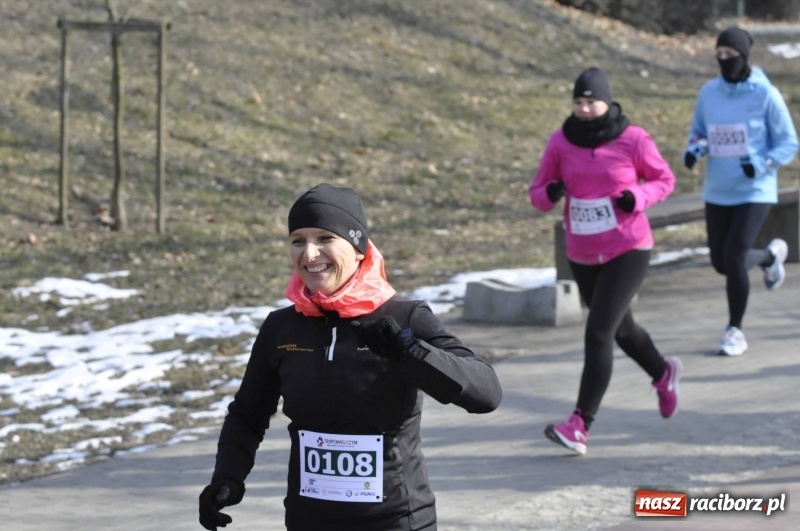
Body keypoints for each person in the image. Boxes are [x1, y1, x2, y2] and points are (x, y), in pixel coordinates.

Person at [198, 183, 503, 531]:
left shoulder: (405, 318)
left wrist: (411, 353)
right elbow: (248, 415)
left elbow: (486, 393)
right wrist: (227, 478)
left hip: (396, 520)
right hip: (308, 520)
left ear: (358, 248)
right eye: (298, 240)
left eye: (325, 238)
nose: (309, 254)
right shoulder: (281, 328)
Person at [529, 67, 680, 456]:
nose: (583, 109)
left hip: (628, 246)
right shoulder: (561, 142)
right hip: (582, 252)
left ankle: (580, 424)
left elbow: (664, 180)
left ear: (608, 101)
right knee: (622, 329)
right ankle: (663, 373)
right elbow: (537, 195)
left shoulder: (633, 139)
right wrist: (551, 192)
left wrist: (637, 198)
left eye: (590, 101)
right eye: (578, 102)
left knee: (598, 332)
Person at [683, 26, 799, 356]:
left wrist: (762, 163)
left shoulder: (765, 94)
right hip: (718, 189)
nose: (724, 61)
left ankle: (735, 330)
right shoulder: (708, 93)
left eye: (730, 55)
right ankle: (769, 256)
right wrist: (693, 151)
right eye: (718, 56)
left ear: (744, 57)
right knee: (721, 262)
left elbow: (789, 141)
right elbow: (698, 133)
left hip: (755, 189)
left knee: (734, 256)